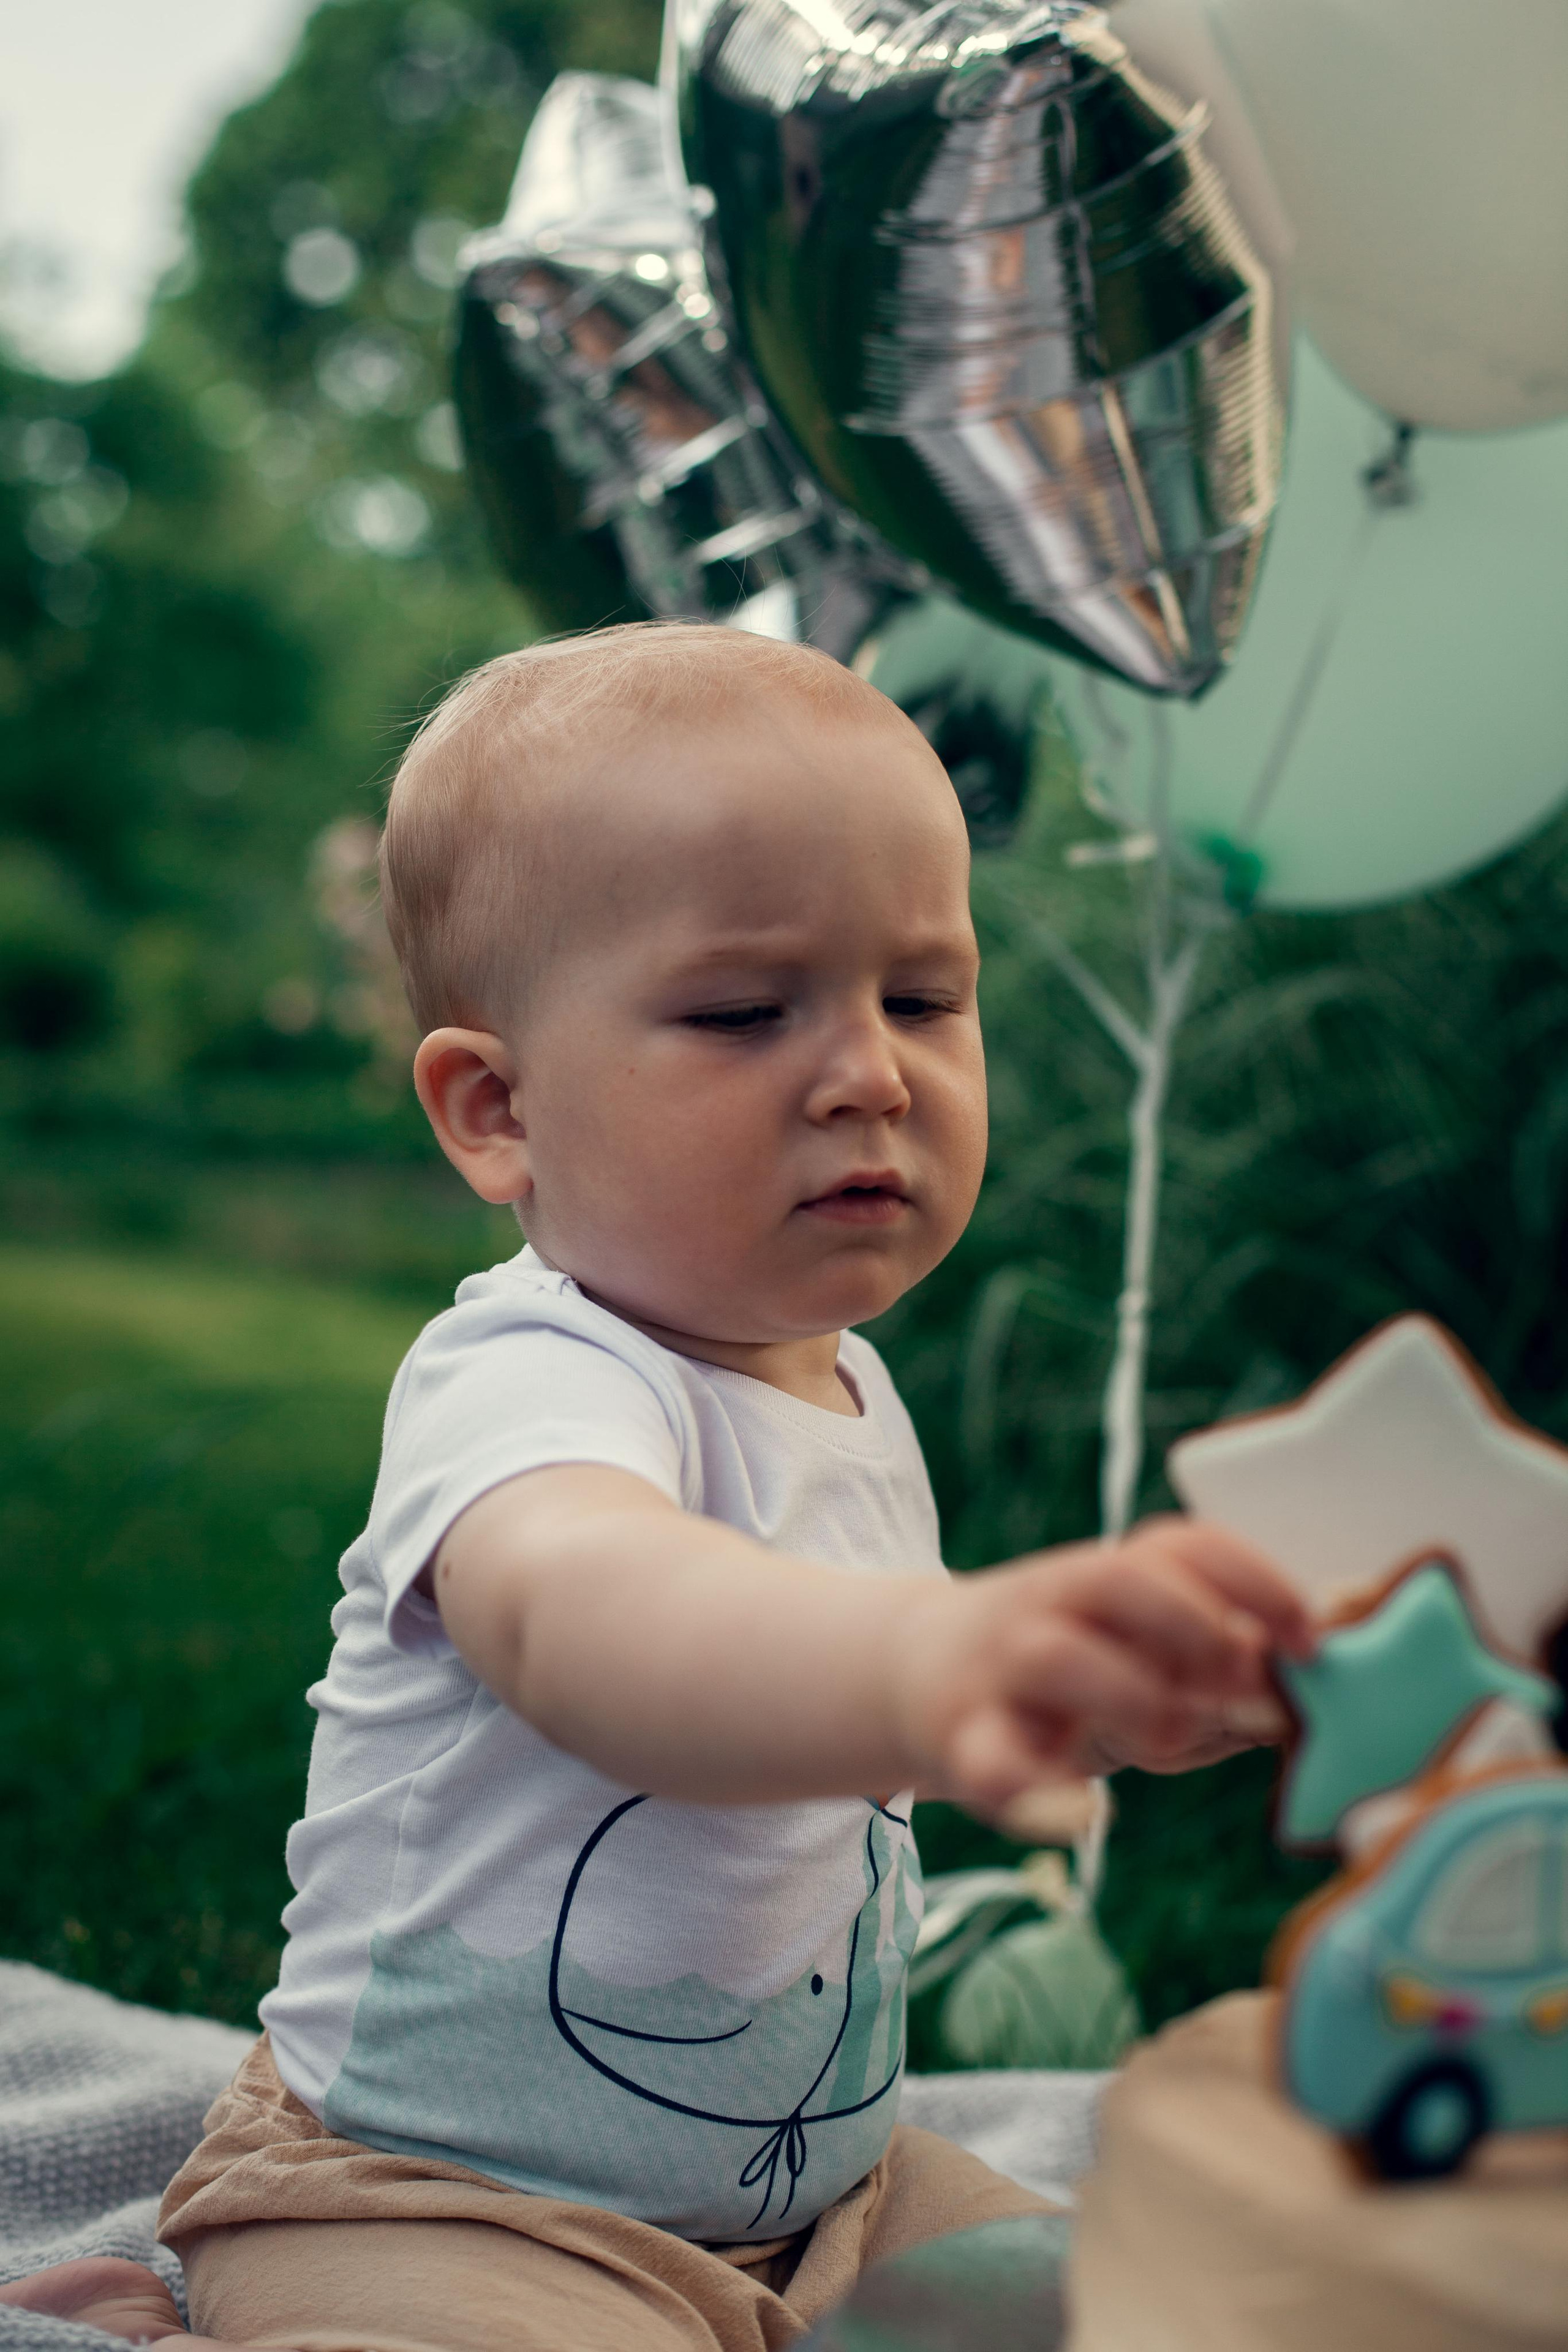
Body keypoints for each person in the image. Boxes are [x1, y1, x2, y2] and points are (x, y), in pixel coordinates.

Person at [2, 624, 1311, 2351]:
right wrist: (934, 1666)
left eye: (922, 997)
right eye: (745, 1012)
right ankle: (224, 2307)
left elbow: (860, 1693)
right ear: (498, 1110)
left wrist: (1107, 1699)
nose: (872, 1072)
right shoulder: (530, 1381)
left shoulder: (848, 1384)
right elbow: (596, 1622)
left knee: (1154, 2299)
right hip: (452, 2198)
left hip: (824, 2193)